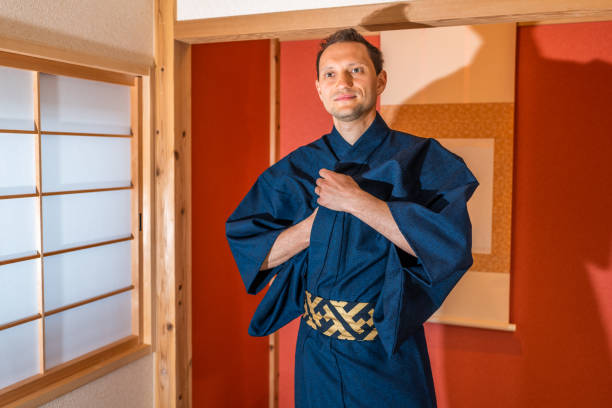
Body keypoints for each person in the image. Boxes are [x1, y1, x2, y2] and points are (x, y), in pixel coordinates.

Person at [226, 28, 478, 408]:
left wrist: (359, 202)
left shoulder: (421, 158)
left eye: (355, 70)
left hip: (389, 350)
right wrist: (315, 224)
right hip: (317, 353)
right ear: (318, 88)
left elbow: (448, 247)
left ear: (380, 81)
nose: (341, 82)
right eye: (330, 74)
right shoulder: (296, 169)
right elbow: (256, 253)